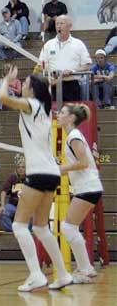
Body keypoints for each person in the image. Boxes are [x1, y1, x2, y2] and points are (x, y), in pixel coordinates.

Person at [0, 68, 72, 291]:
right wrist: (49, 78)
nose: (23, 84)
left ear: (32, 90)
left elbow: (2, 98)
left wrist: (7, 80)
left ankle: (36, 274)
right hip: (51, 173)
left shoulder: (32, 105)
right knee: (40, 227)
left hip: (39, 172)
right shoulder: (44, 109)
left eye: (26, 83)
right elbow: (44, 87)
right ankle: (63, 275)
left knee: (19, 225)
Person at [57, 104, 103, 283]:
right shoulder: (73, 136)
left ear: (71, 118)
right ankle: (86, 268)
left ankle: (86, 268)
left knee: (68, 227)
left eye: (62, 113)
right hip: (88, 187)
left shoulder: (74, 136)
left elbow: (83, 162)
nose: (58, 115)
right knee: (70, 227)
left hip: (87, 187)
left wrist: (61, 168)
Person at [39, 15, 92, 102]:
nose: (59, 26)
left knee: (72, 113)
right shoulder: (48, 44)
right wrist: (50, 73)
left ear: (70, 26)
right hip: (54, 84)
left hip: (72, 84)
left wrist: (72, 71)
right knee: (55, 114)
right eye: (57, 24)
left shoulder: (78, 44)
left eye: (62, 23)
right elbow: (41, 65)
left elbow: (87, 65)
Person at [0, 155, 26, 232]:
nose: (21, 169)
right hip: (13, 205)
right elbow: (3, 192)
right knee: (4, 212)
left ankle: (27, 233)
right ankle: (14, 231)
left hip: (27, 207)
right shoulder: (13, 177)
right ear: (16, 169)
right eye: (19, 167)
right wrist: (2, 205)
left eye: (23, 167)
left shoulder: (31, 178)